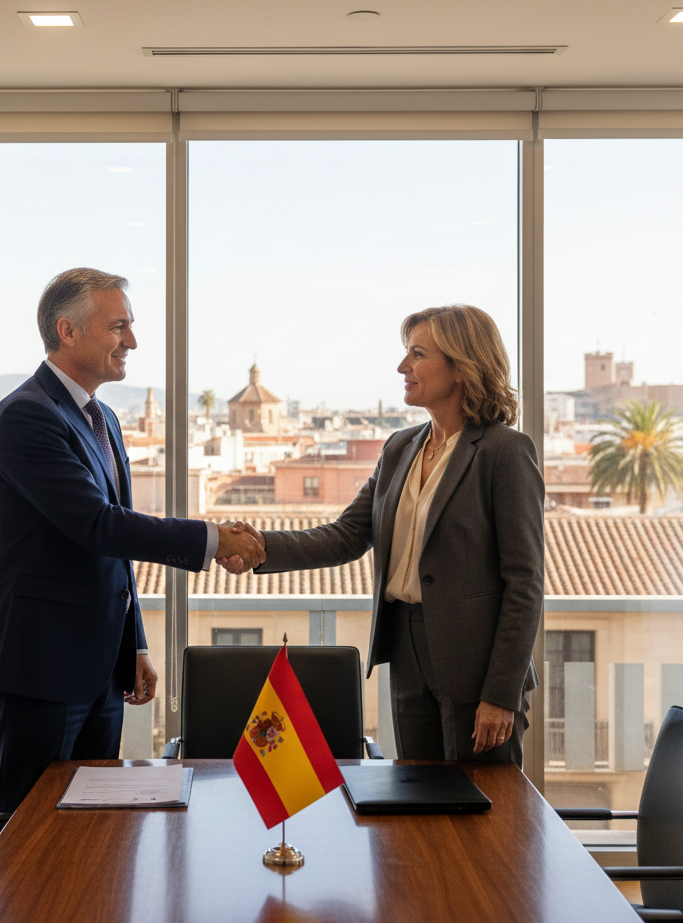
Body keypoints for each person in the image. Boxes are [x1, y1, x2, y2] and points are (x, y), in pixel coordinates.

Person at [0, 268, 264, 852]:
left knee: (90, 832)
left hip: (100, 669)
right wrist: (214, 538)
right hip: (40, 667)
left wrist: (132, 644)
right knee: (25, 837)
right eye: (119, 326)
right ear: (68, 331)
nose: (131, 340)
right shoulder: (26, 416)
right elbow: (98, 525)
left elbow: (107, 554)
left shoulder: (101, 417)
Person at [222, 305, 543, 764]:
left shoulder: (504, 452)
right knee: (418, 809)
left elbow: (525, 582)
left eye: (417, 354)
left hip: (479, 668)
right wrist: (260, 547)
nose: (402, 367)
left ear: (461, 365)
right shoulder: (399, 448)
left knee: (483, 818)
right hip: (407, 651)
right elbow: (346, 535)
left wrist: (501, 693)